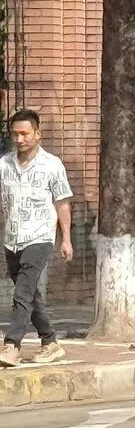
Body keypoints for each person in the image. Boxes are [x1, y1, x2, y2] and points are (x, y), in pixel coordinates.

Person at [0, 109, 73, 366]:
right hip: (12, 238)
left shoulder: (52, 165)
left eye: (25, 134)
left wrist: (65, 239)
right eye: (15, 134)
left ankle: (11, 345)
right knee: (29, 293)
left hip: (40, 236)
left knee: (22, 292)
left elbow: (62, 203)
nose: (19, 139)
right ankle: (50, 341)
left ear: (37, 134)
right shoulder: (4, 165)